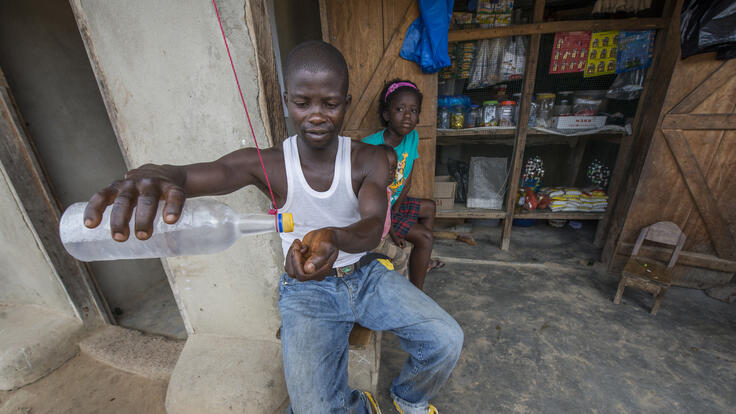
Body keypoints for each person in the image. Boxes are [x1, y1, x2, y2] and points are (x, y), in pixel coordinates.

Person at [82, 41, 462, 414]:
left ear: (345, 104)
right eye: (303, 103)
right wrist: (163, 174)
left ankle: (410, 397)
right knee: (311, 409)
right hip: (305, 291)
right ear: (286, 100)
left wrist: (337, 237)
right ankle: (360, 406)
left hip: (365, 276)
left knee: (446, 339)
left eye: (330, 104)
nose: (316, 115)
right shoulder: (270, 164)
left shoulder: (369, 159)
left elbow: (373, 224)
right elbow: (205, 173)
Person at [362, 79, 443, 291]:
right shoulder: (370, 145)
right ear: (387, 114)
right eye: (400, 109)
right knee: (425, 237)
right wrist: (391, 223)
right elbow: (363, 192)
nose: (407, 116)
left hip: (394, 203)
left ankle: (421, 261)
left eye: (413, 110)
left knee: (429, 207)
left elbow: (407, 178)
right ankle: (416, 293)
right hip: (379, 211)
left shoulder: (412, 137)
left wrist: (397, 208)